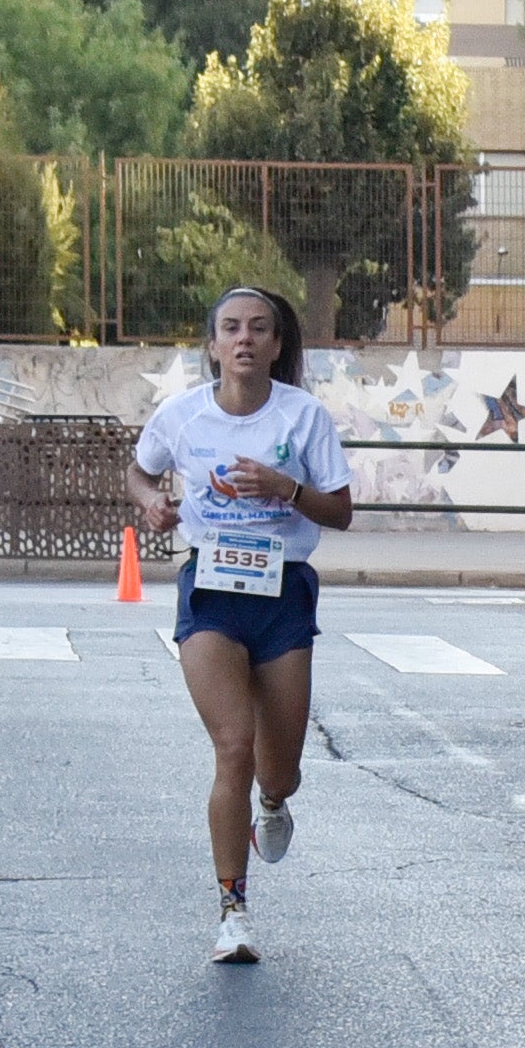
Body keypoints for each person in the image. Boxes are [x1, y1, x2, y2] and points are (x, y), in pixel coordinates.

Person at [127, 286, 353, 965]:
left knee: (276, 769)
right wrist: (152, 506)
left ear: (278, 344)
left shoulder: (303, 416)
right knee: (232, 747)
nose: (245, 339)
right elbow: (139, 474)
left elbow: (340, 510)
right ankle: (233, 911)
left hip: (282, 592)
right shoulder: (182, 416)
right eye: (231, 328)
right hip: (212, 592)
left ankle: (275, 803)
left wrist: (283, 488)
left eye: (259, 328)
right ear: (213, 344)